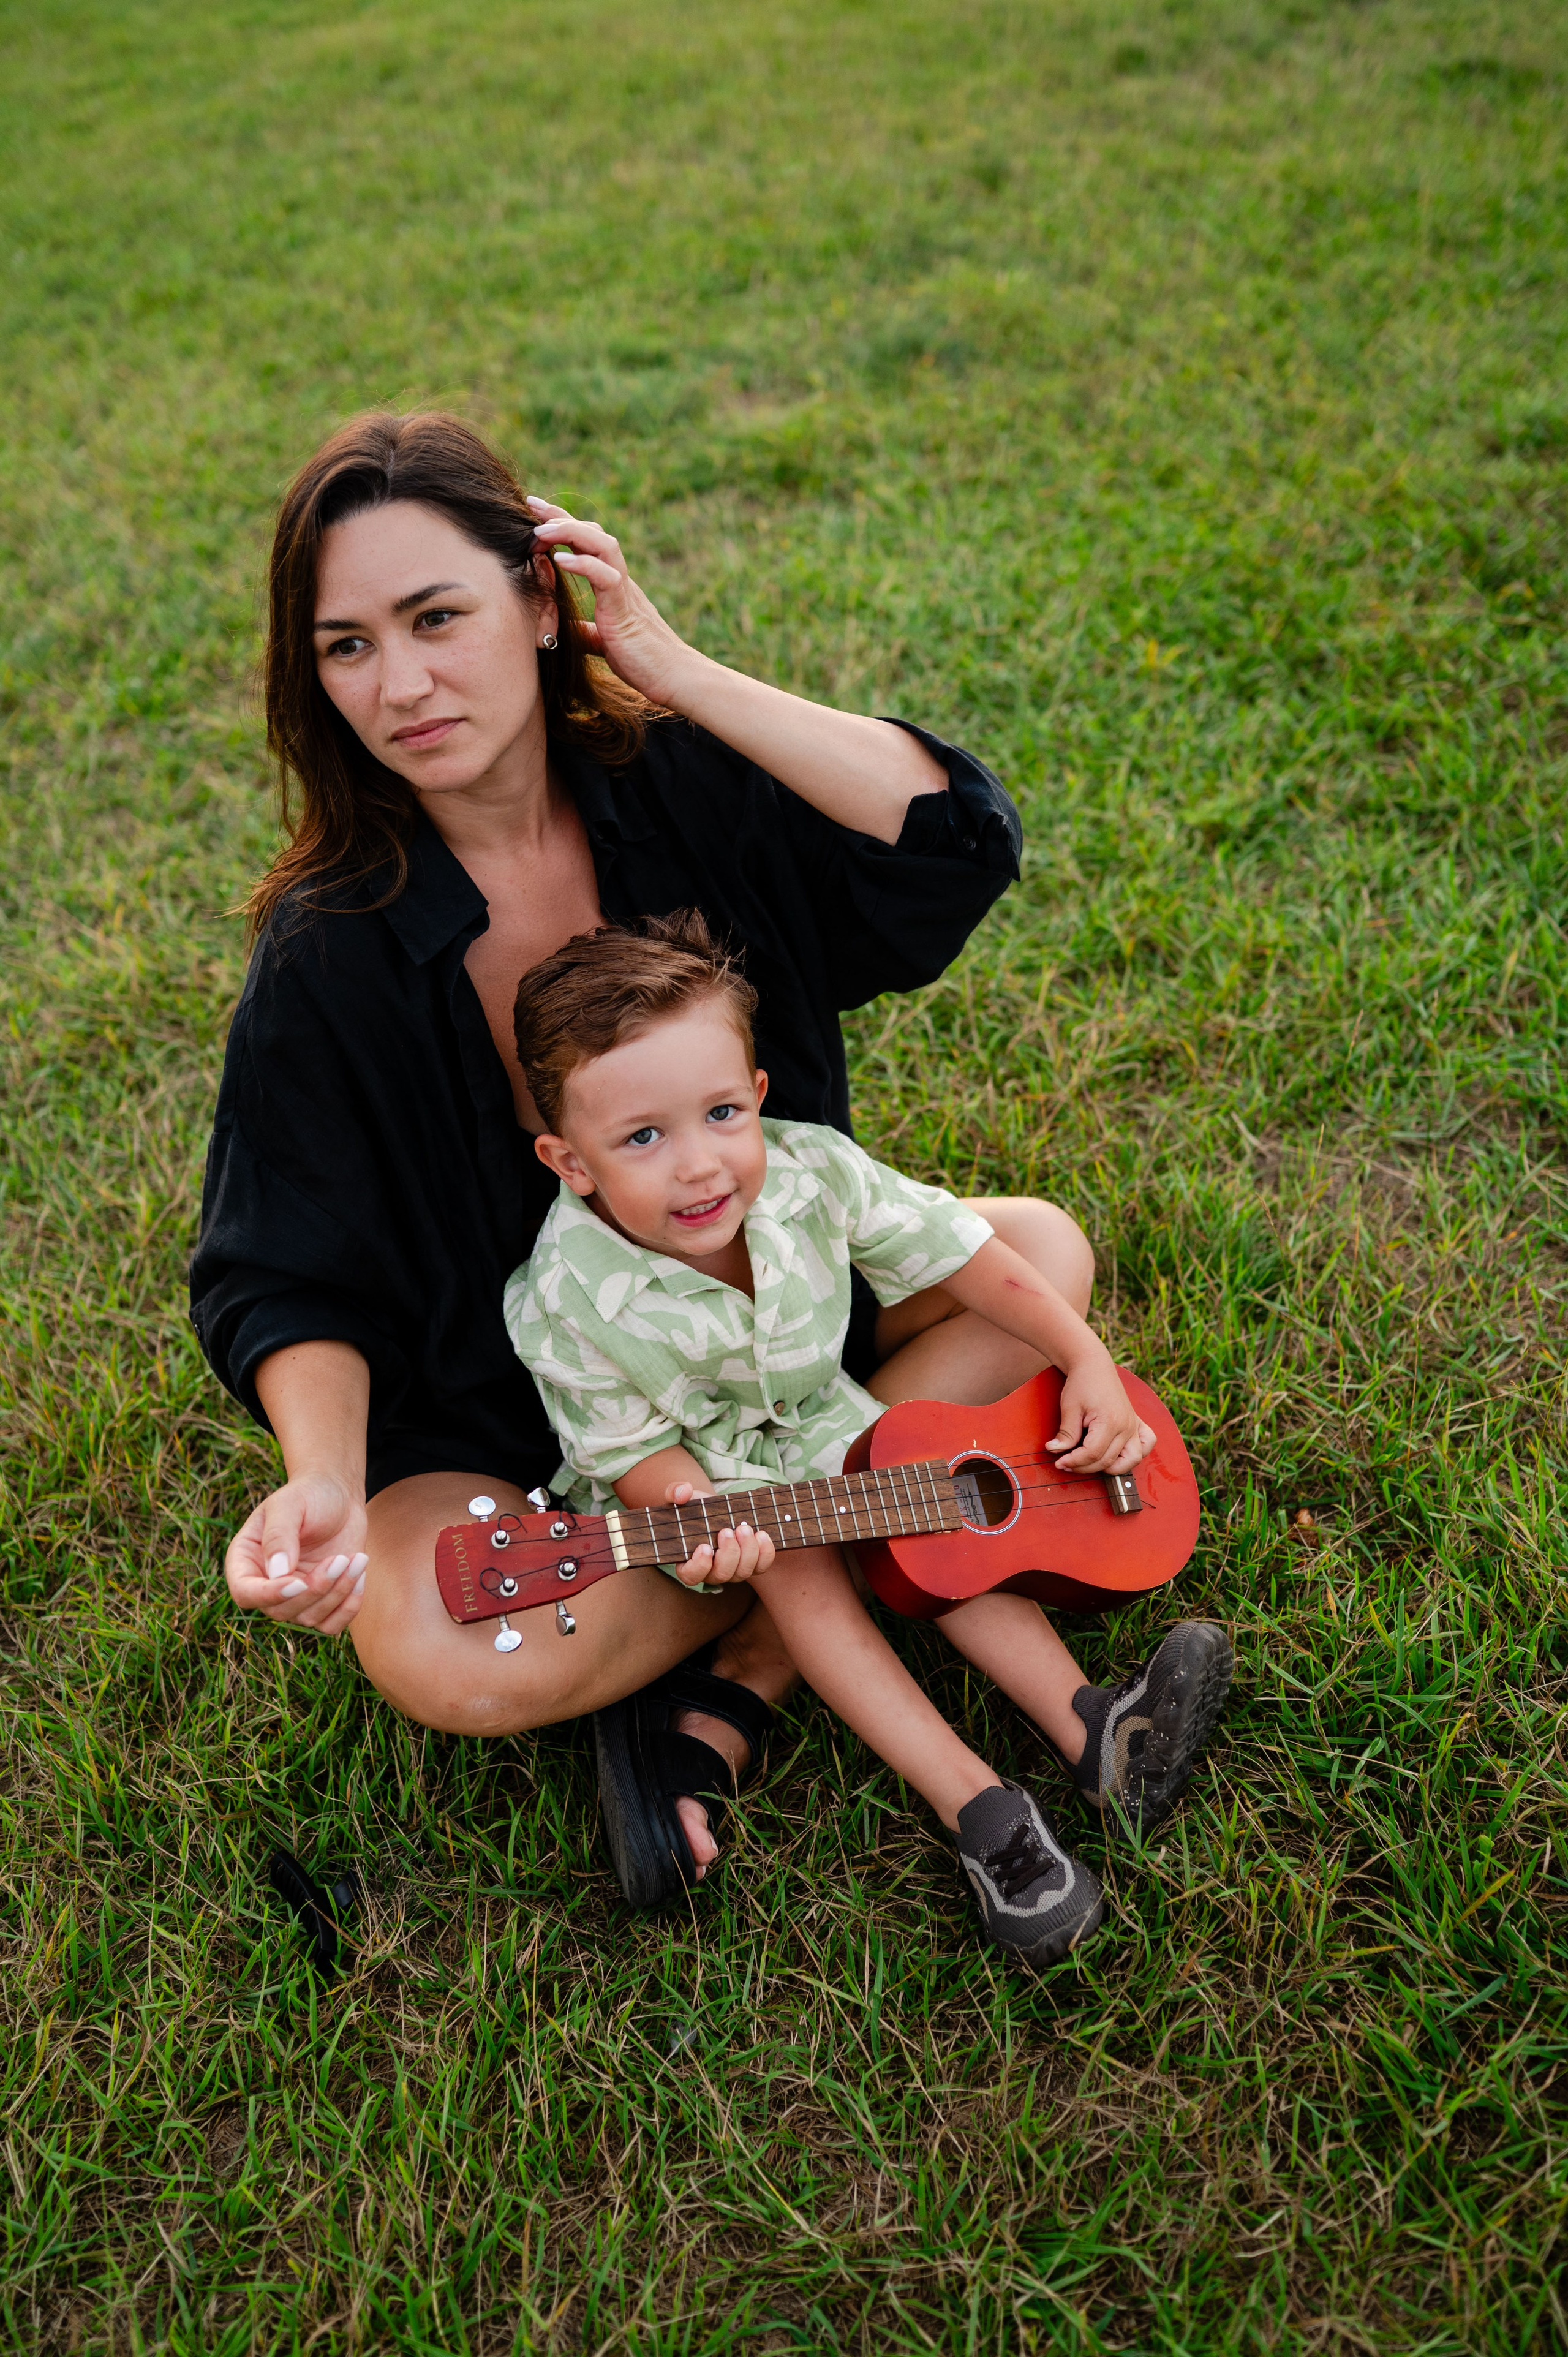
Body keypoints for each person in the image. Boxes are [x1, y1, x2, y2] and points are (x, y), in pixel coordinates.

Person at [198, 407, 1089, 1891]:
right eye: (347, 645)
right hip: (531, 1439)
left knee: (1043, 1252)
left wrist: (671, 672)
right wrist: (325, 1489)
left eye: (438, 617)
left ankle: (745, 1655)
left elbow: (950, 847)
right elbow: (286, 1277)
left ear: (541, 601)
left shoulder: (681, 790)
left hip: (761, 1348)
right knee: (434, 1645)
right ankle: (827, 1557)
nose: (401, 684)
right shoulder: (328, 955)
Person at [503, 911, 1232, 1965]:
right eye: (644, 1139)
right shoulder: (564, 1298)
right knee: (802, 1569)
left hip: (835, 1433)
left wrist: (1079, 1357)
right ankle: (984, 1818)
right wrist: (701, 1516)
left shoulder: (810, 1173)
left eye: (718, 1113)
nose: (701, 1166)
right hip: (713, 1502)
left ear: (757, 1098)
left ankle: (1100, 1733)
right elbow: (627, 1452)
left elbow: (973, 1260)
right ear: (569, 1161)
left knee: (933, 1490)